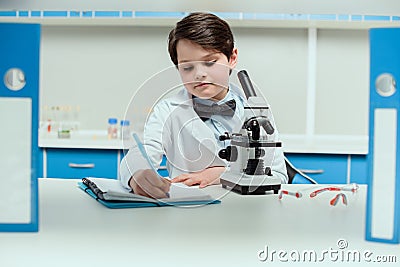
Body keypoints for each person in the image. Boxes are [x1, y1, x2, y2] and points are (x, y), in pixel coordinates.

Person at [119, 12, 288, 198]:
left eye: (209, 62)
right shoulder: (168, 111)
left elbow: (279, 175)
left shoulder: (256, 110)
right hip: (188, 211)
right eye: (187, 67)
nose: (199, 74)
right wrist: (137, 175)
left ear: (232, 58)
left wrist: (222, 175)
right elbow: (141, 153)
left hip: (245, 212)